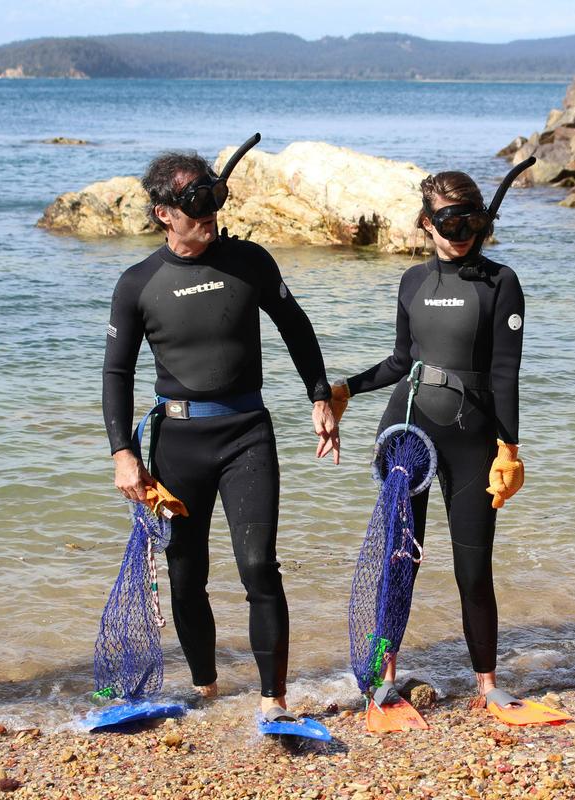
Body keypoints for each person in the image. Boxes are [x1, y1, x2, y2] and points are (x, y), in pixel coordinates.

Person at [102, 146, 340, 721]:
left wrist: (320, 395)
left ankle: (274, 701)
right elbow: (116, 372)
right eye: (195, 204)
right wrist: (122, 453)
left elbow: (297, 328)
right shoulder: (138, 283)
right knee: (186, 576)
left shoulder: (250, 262)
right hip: (178, 443)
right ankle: (205, 688)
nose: (209, 213)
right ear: (164, 212)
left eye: (214, 198)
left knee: (258, 564)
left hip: (246, 435)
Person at [331, 169, 529, 714]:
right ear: (426, 222)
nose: (459, 231)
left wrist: (508, 448)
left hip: (473, 440)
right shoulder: (412, 281)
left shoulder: (500, 282)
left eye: (469, 219)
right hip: (407, 432)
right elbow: (401, 361)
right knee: (399, 559)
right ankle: (386, 679)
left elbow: (507, 374)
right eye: (447, 220)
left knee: (474, 564)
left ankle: (487, 685)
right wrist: (348, 387)